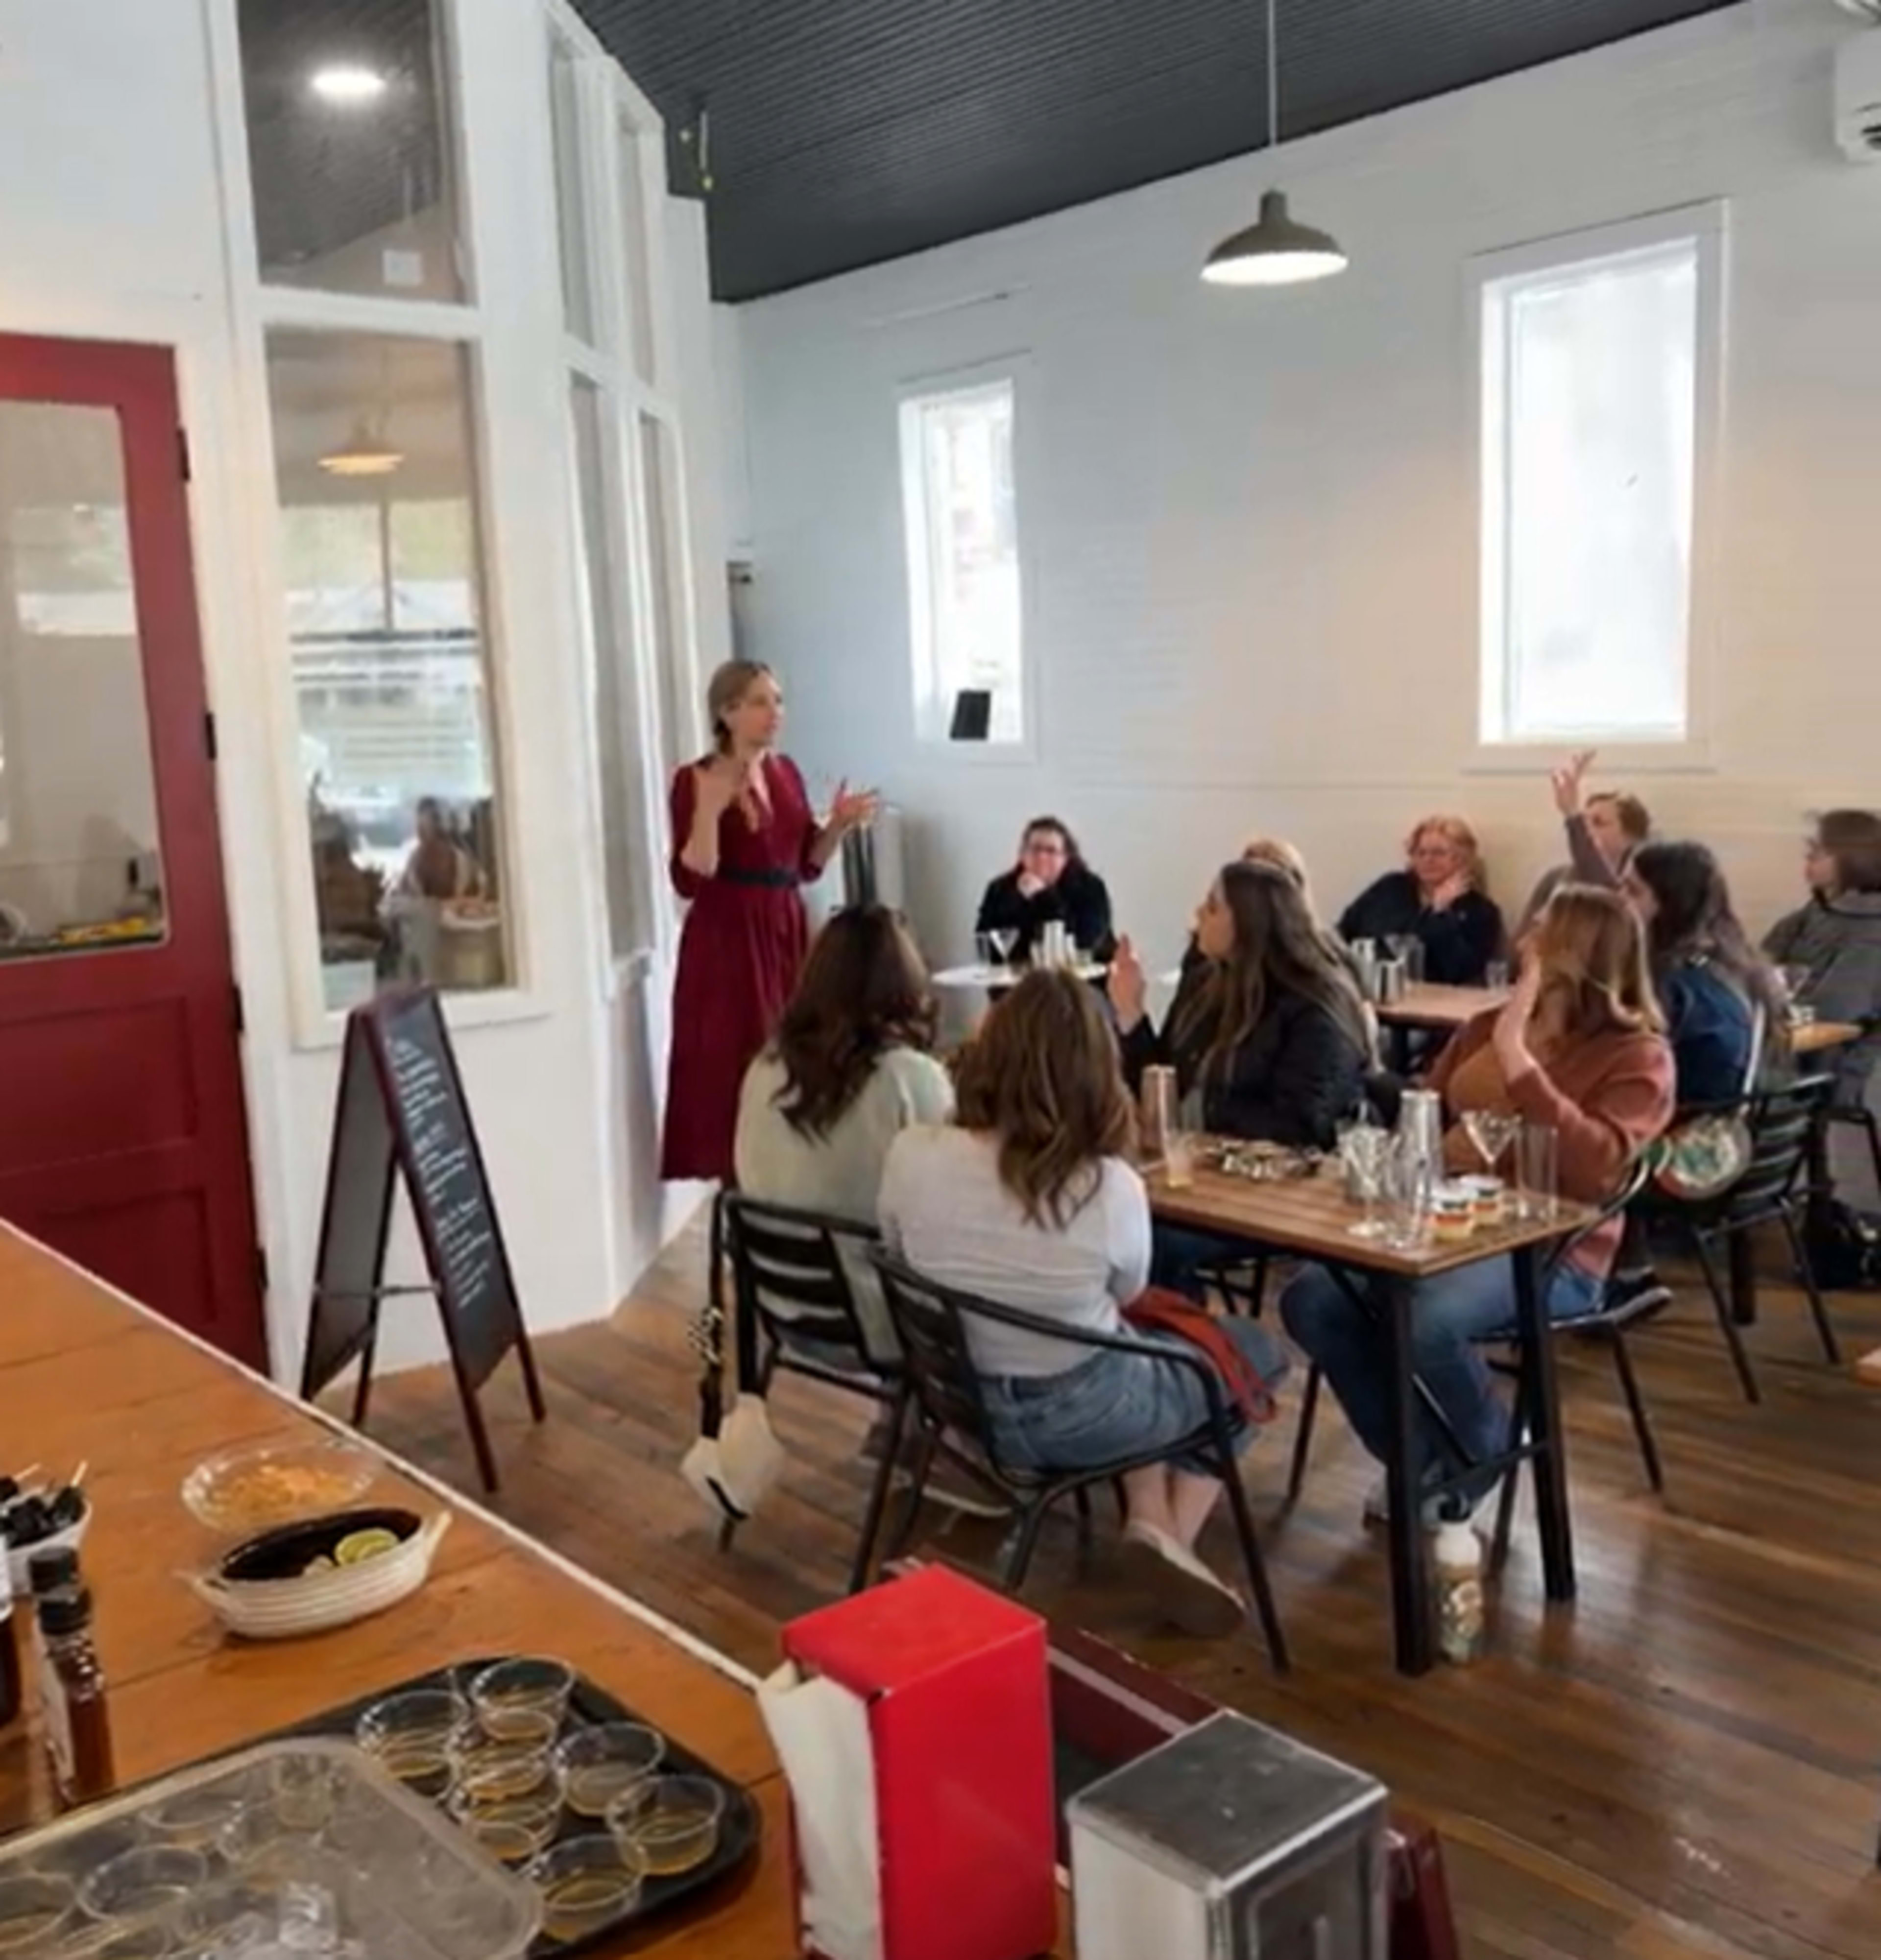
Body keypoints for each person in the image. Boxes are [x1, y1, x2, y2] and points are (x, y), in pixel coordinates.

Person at [878, 970, 1287, 1636]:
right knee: (1255, 1354)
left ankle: (1153, 1531)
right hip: (1081, 1409)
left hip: (958, 1402)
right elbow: (1127, 1291)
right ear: (1099, 1069)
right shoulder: (1109, 1185)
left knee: (1141, 1351)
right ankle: (1166, 1537)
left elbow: (896, 1252)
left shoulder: (911, 1153)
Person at [1281, 886, 1675, 1527]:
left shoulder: (1638, 1055)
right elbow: (1425, 1115)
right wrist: (1414, 1139)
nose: (1524, 943)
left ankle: (1482, 1449)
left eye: (1542, 932)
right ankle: (1422, 1460)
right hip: (1446, 1225)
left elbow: (1597, 1164)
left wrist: (1521, 1061)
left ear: (1582, 953)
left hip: (1552, 1254)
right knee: (1314, 1297)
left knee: (1428, 1319)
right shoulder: (1487, 1026)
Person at [663, 661, 878, 1183]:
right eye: (760, 702)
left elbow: (806, 862)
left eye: (778, 701)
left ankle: (788, 1174)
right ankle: (739, 1191)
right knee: (736, 1055)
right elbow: (694, 877)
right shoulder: (697, 779)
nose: (774, 713)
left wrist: (840, 825)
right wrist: (709, 811)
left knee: (794, 1051)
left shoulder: (786, 774)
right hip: (729, 935)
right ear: (728, 712)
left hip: (784, 927)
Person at [1110, 860, 1369, 1151]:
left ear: (1249, 922)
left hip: (1287, 1179)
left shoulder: (1317, 1006)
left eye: (1213, 907)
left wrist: (1200, 1109)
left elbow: (1304, 1126)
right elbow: (1165, 1088)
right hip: (1205, 1160)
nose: (1198, 915)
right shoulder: (1206, 982)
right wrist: (1131, 1014)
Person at [1622, 842, 1785, 1108]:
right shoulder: (1739, 968)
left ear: (1670, 904)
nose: (1620, 901)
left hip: (1679, 1131)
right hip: (1727, 1132)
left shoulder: (1673, 983)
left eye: (1633, 891)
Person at [1763, 810, 1881, 1106]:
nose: (1810, 857)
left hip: (1828, 1072)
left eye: (1821, 851)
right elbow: (1756, 968)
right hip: (1789, 1057)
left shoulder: (1872, 928)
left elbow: (1835, 1010)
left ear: (1854, 859)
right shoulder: (1815, 912)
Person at [1337, 815, 1505, 987]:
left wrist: (1440, 913)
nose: (1428, 860)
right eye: (1420, 853)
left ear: (1461, 859)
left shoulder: (1481, 911)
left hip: (1435, 1001)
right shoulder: (1390, 888)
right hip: (1368, 988)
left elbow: (1460, 970)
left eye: (1438, 853)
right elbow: (1344, 931)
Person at [1515, 751, 1651, 939]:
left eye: (1599, 823)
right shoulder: (1556, 879)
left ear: (1631, 837)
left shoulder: (1639, 887)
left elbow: (1606, 895)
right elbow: (1521, 940)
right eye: (1584, 823)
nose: (1588, 831)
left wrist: (1572, 815)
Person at [974, 817, 1116, 965]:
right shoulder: (1001, 889)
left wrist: (1044, 898)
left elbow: (1086, 941)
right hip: (1019, 979)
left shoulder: (1090, 887)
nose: (1042, 857)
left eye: (1051, 851)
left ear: (1066, 858)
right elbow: (986, 943)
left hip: (1081, 979)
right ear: (1023, 855)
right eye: (1035, 849)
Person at [398, 797, 483, 900]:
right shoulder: (413, 863)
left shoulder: (462, 863)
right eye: (420, 828)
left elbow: (479, 896)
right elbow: (403, 897)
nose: (421, 833)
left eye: (426, 829)